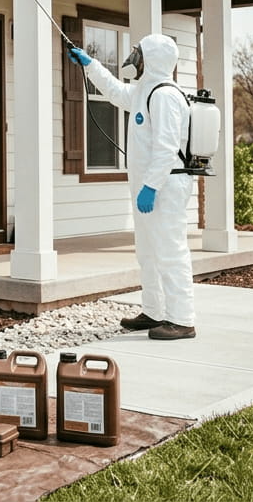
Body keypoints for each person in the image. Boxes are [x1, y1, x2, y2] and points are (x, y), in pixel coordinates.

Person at [69, 34, 196, 339]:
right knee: (148, 252)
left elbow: (166, 148)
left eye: (138, 53)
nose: (133, 58)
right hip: (150, 186)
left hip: (166, 185)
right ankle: (154, 311)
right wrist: (91, 65)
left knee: (170, 251)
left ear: (150, 59)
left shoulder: (165, 95)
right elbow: (115, 91)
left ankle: (182, 320)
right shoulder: (144, 91)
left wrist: (151, 186)